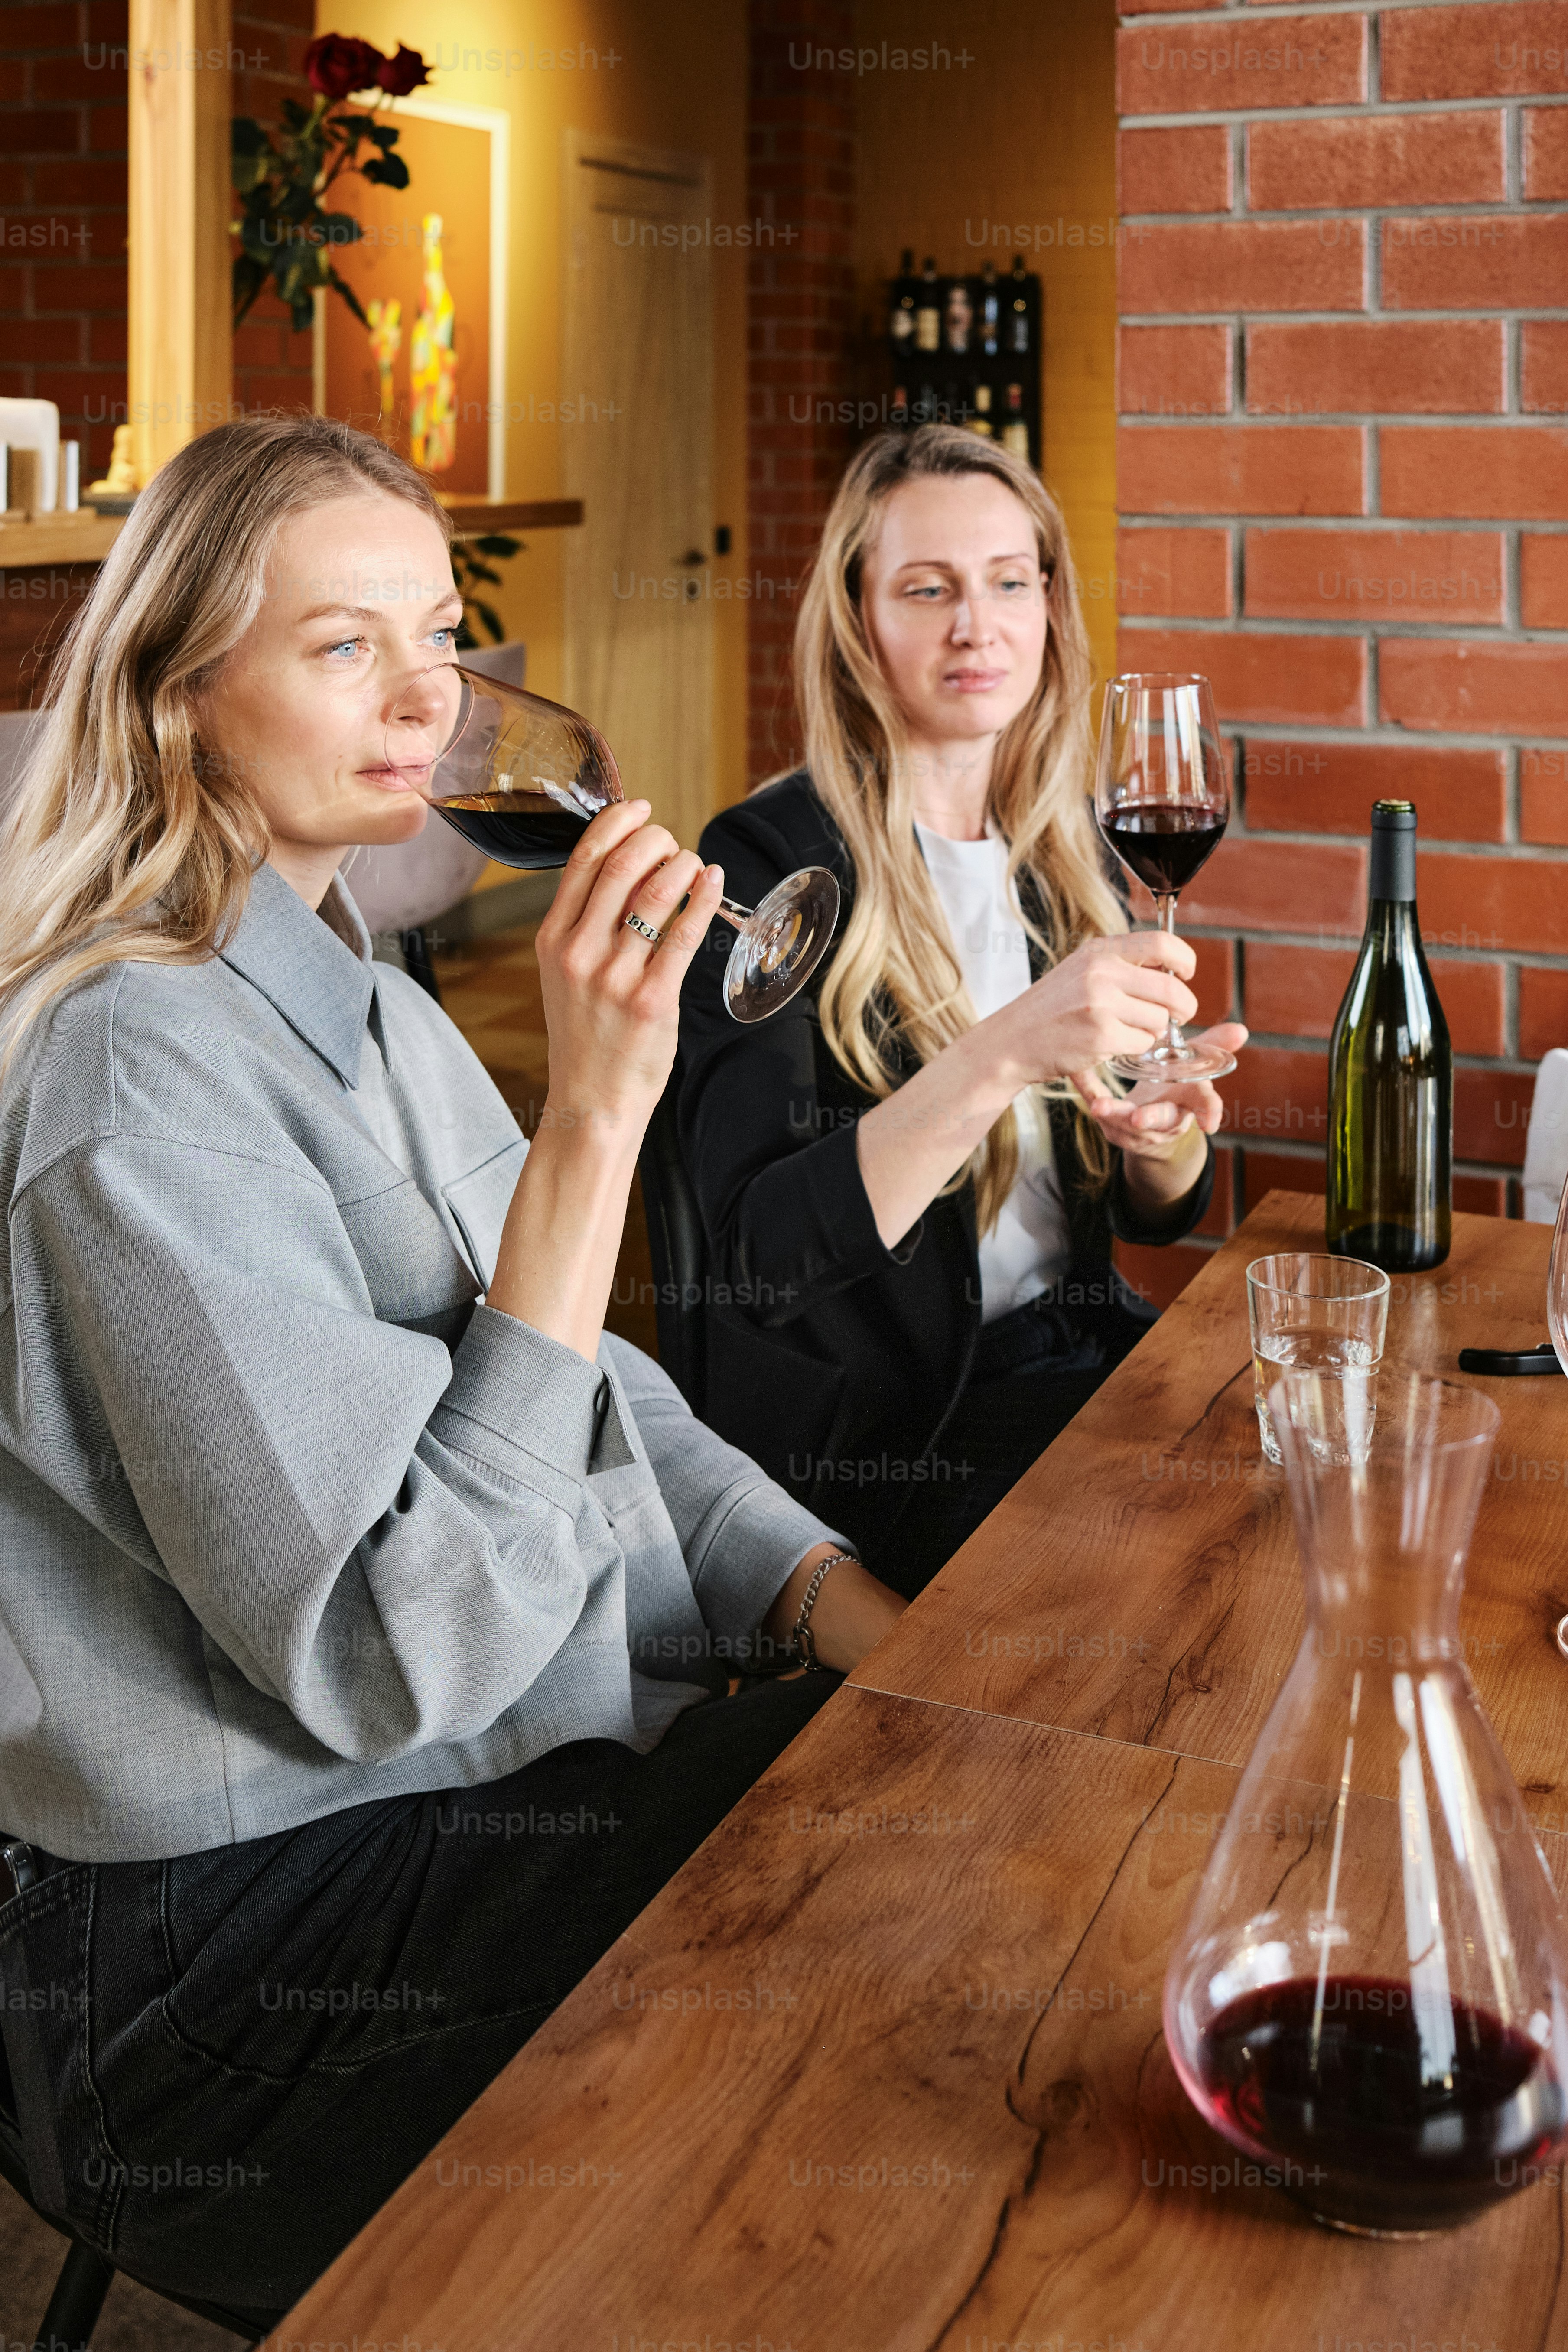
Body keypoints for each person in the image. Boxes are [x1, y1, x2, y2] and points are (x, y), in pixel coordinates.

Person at [0, 415, 906, 2328]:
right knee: (866, 1894)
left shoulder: (372, 1010)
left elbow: (584, 1388)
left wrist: (841, 1603)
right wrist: (594, 1125)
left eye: (440, 637)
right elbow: (393, 1652)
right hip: (216, 1978)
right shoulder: (133, 1079)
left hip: (474, 1789)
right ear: (178, 694)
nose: (431, 700)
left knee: (903, 1787)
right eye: (345, 647)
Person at [677, 425, 1247, 1594]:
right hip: (903, 1432)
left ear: (1049, 607)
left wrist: (1162, 1140)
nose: (975, 626)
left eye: (1008, 582)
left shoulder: (1065, 854)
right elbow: (759, 1260)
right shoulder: (767, 865)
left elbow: (1160, 1216)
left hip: (1079, 1354)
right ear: (858, 619)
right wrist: (1001, 1052)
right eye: (927, 589)